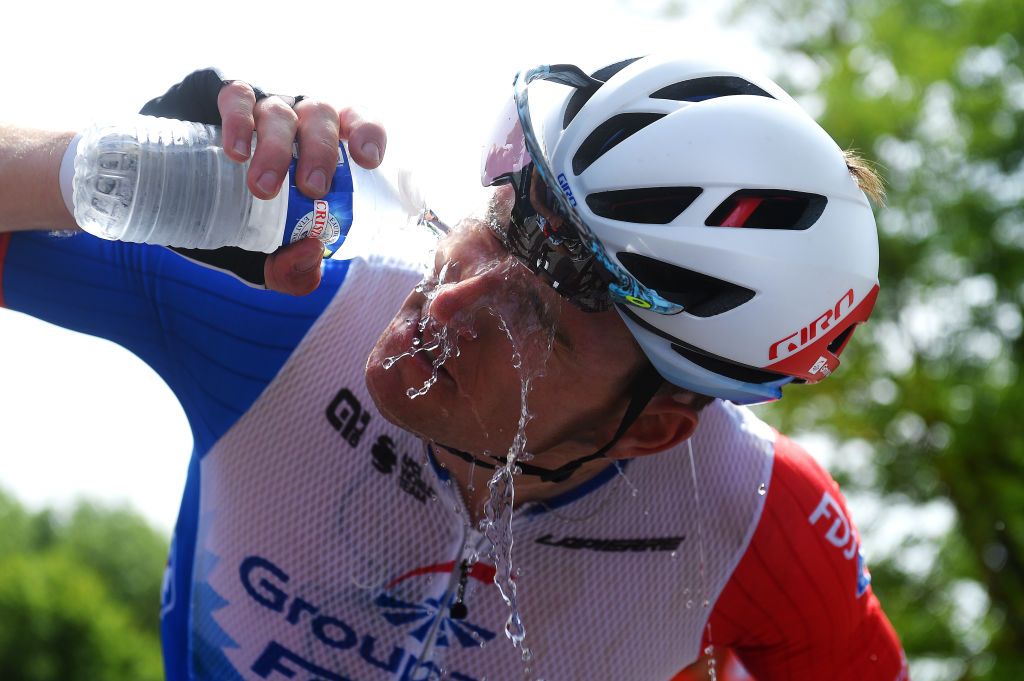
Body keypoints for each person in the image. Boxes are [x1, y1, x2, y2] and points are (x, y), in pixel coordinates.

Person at [0, 56, 908, 681]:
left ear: (655, 425)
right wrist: (104, 168)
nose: (446, 303)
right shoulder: (297, 286)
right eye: (502, 227)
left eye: (540, 325)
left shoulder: (757, 519)